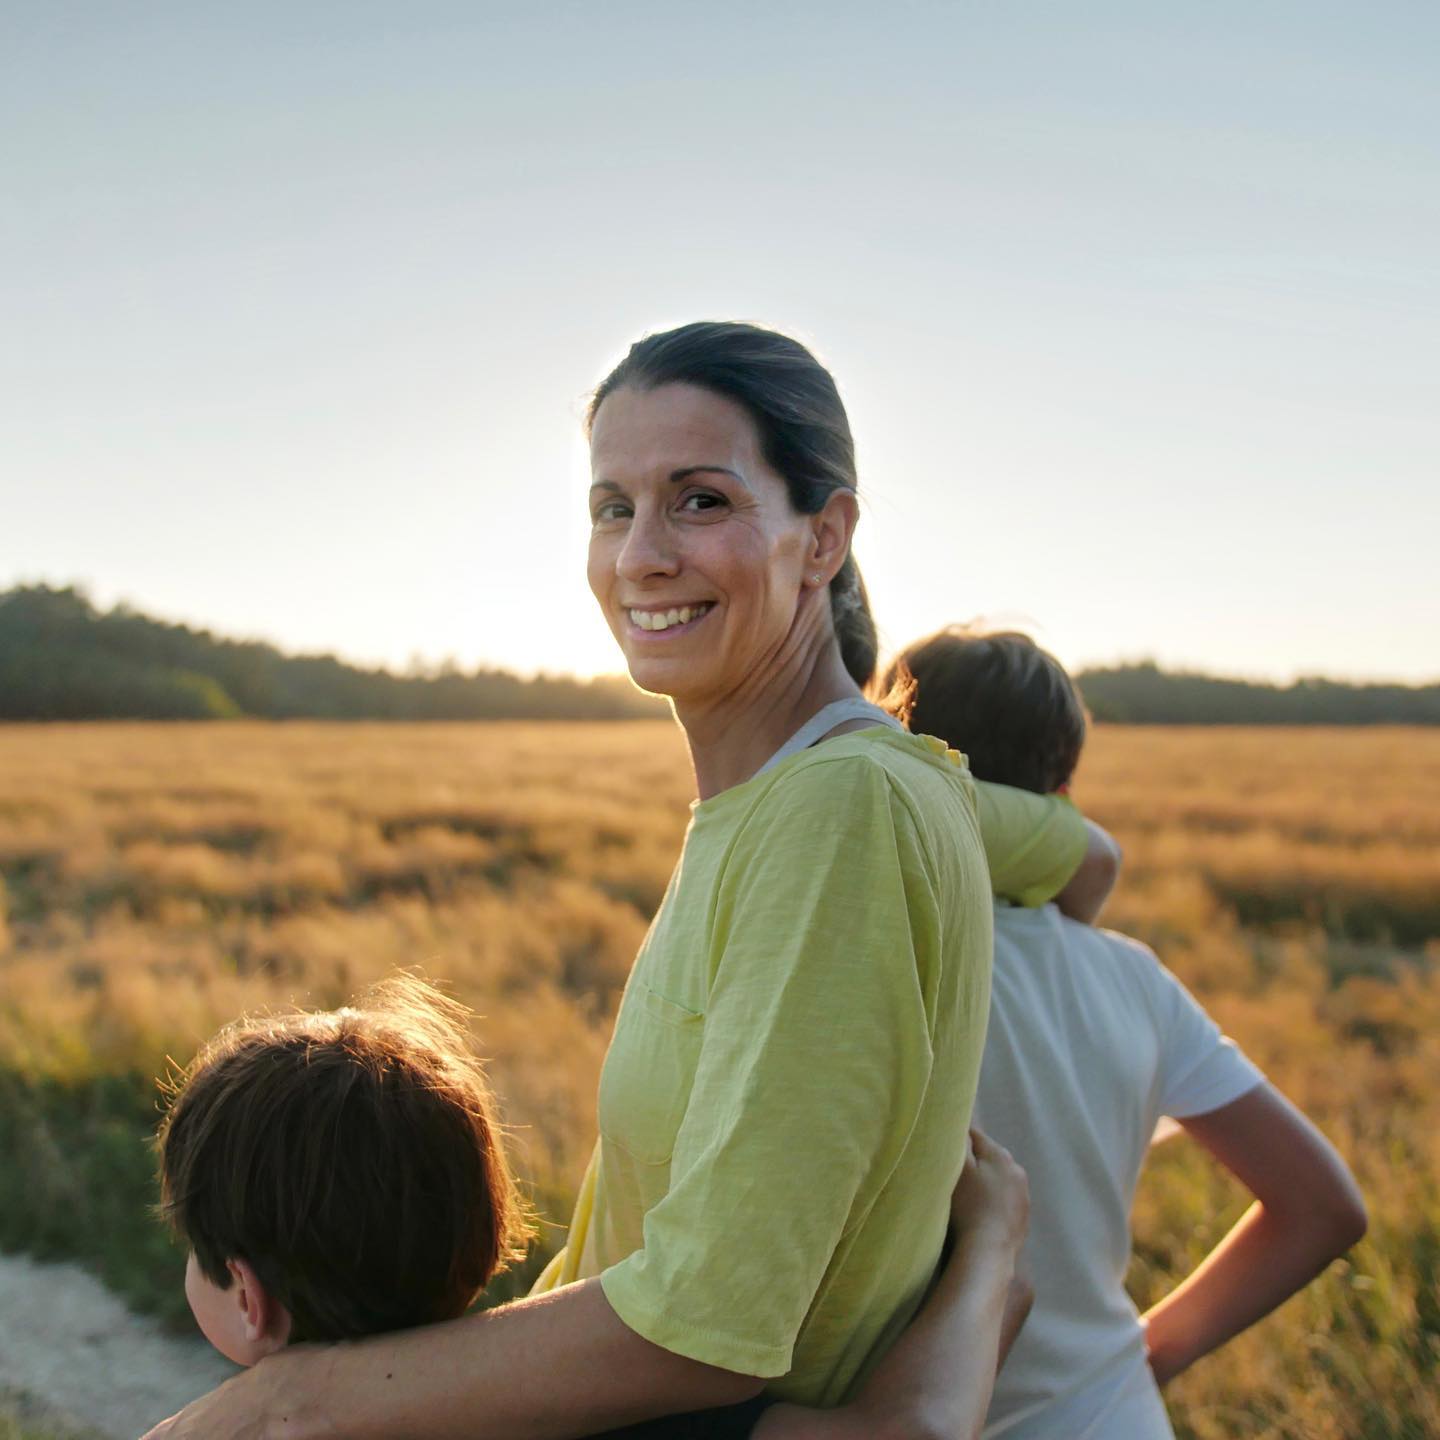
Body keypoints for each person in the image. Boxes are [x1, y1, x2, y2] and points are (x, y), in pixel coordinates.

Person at [143, 321, 1112, 1440]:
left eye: (700, 499)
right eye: (613, 507)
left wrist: (286, 1403)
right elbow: (1076, 849)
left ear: (823, 535)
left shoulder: (839, 810)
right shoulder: (861, 789)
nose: (642, 553)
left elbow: (704, 1321)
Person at [158, 974, 1035, 1439]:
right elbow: (909, 1432)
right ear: (485, 1228)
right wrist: (989, 1251)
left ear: (245, 1294)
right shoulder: (598, 1405)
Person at [889, 625, 1369, 1439]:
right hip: (1115, 1416)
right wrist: (1142, 1360)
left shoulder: (871, 962)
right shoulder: (1134, 978)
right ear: (1062, 798)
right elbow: (1323, 1207)